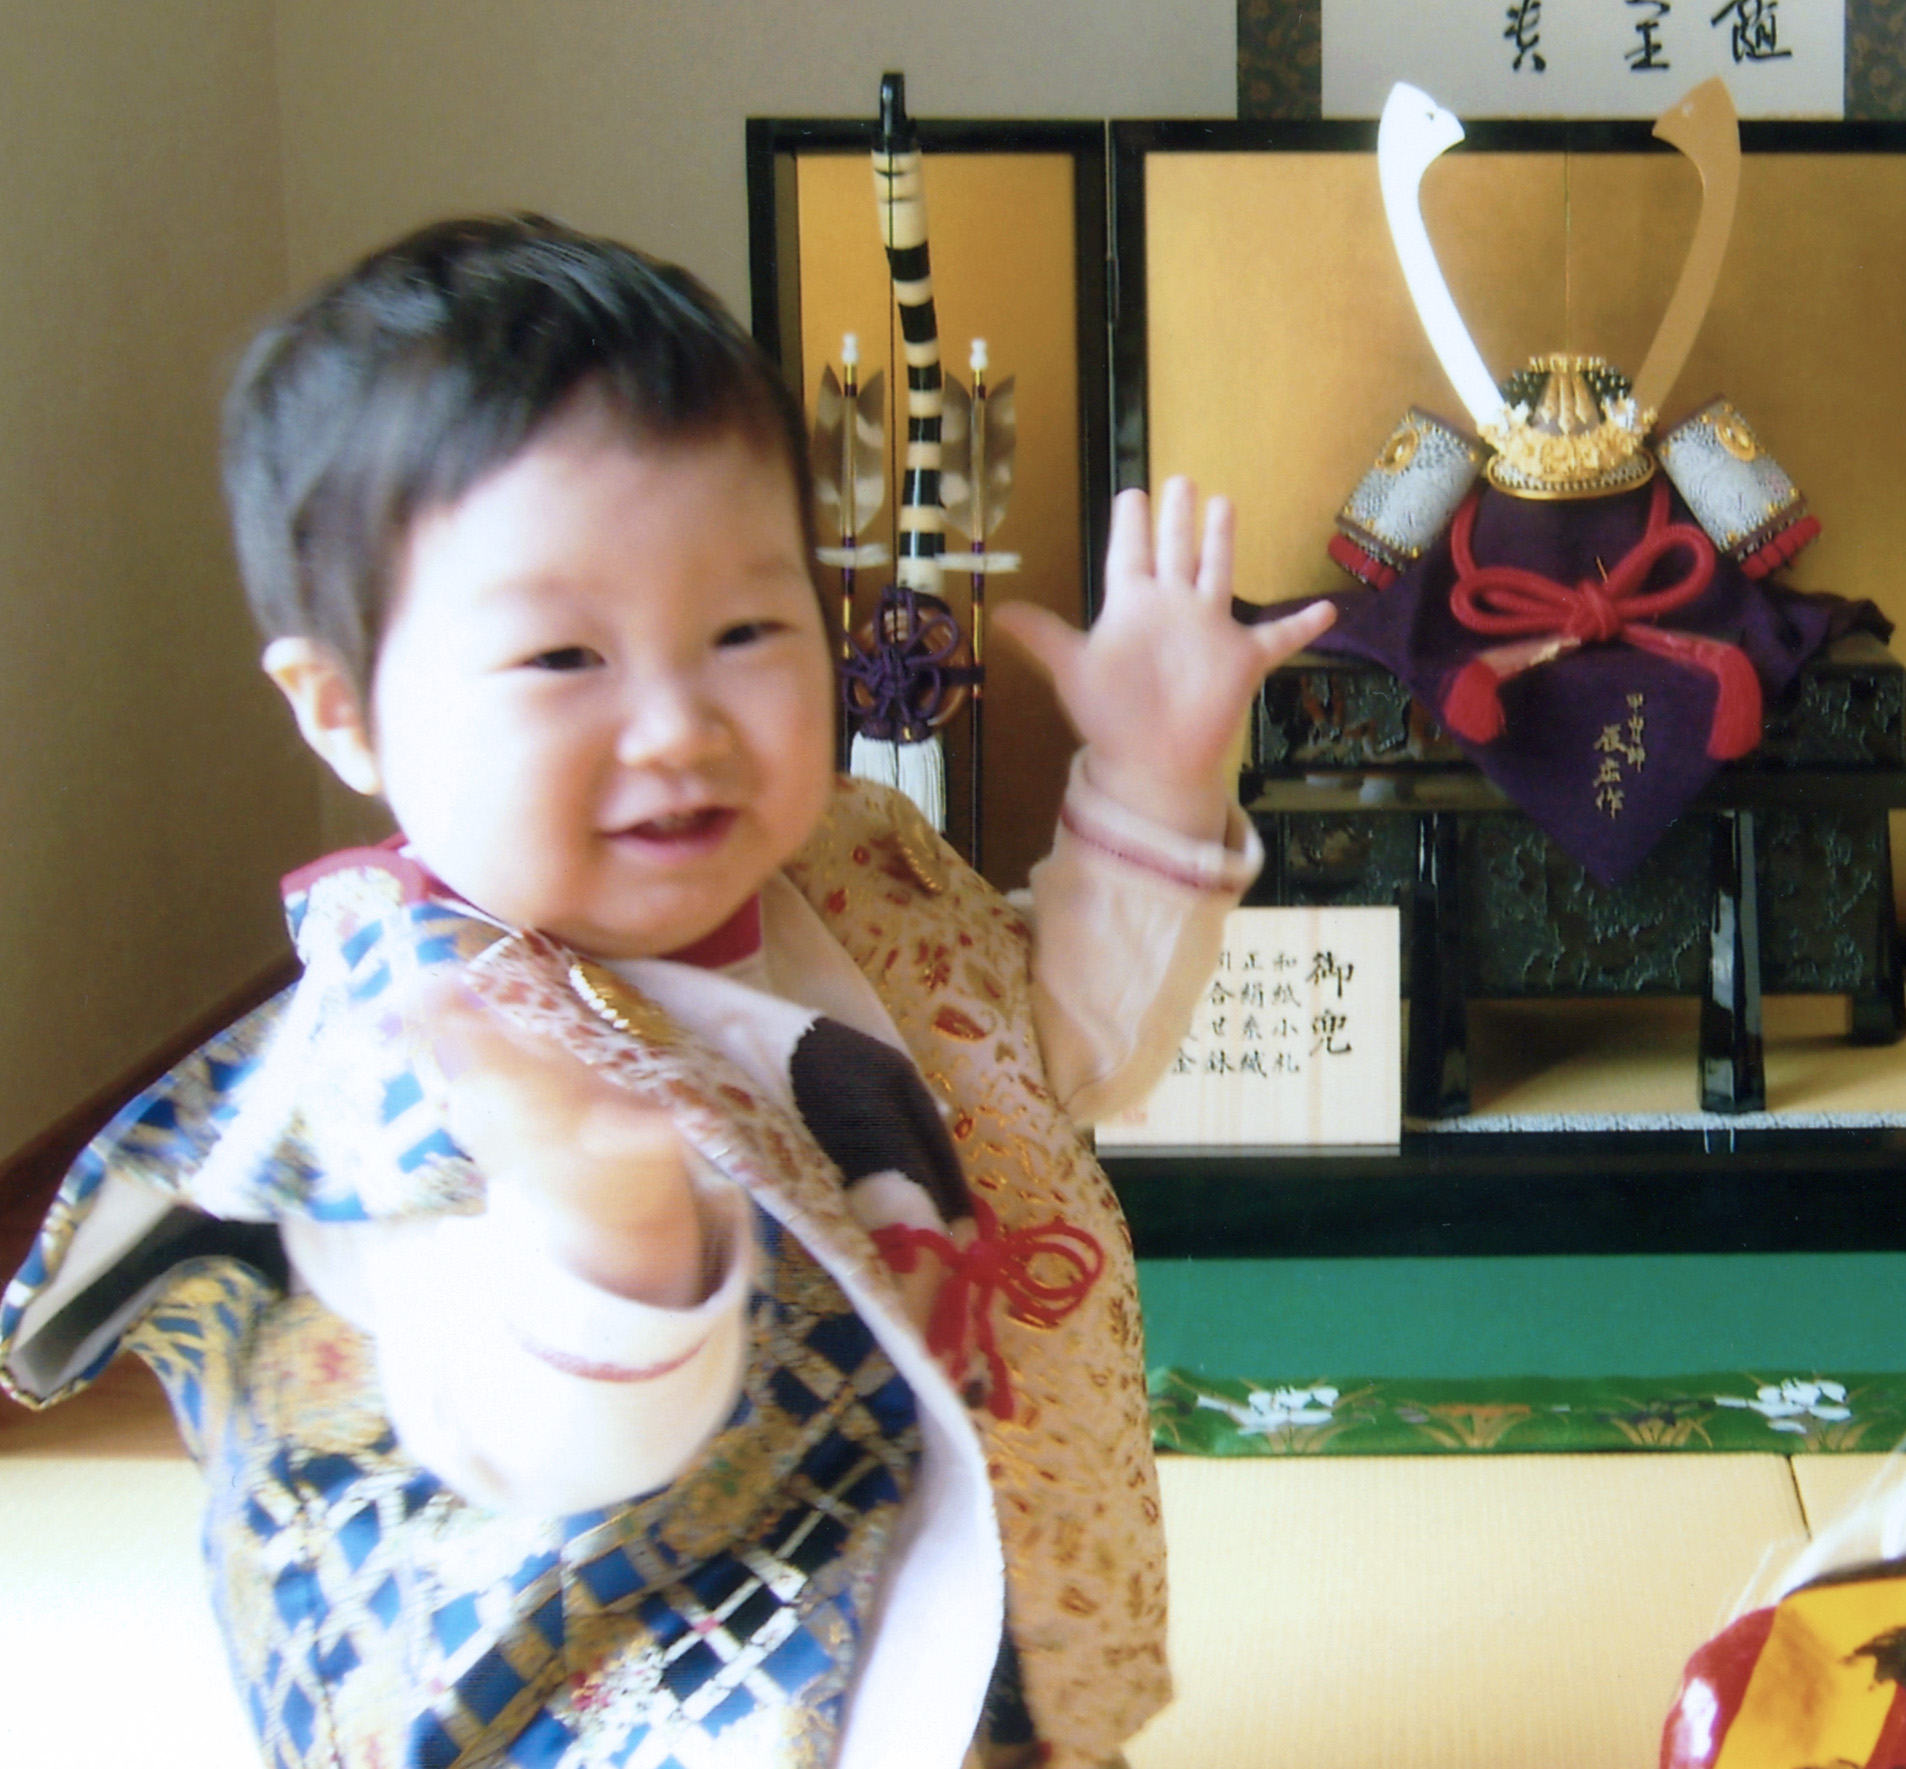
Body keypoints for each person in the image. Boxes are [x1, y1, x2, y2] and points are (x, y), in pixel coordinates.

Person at [0, 216, 1331, 1768]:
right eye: (564, 656)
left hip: (949, 1568)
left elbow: (1059, 1062)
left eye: (744, 629)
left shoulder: (846, 873)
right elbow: (522, 1458)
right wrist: (603, 1235)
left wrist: (1156, 779)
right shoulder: (428, 1044)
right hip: (673, 1688)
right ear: (344, 705)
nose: (678, 724)